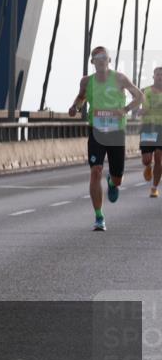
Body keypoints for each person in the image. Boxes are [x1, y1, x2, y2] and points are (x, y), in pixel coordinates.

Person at [68, 46, 144, 230]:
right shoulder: (86, 81)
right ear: (92, 62)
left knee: (118, 179)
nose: (101, 59)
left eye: (104, 57)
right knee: (96, 170)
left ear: (109, 60)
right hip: (96, 131)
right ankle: (99, 217)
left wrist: (125, 109)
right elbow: (81, 98)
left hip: (116, 133)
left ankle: (112, 182)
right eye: (97, 57)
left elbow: (140, 96)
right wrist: (75, 107)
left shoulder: (119, 78)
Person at [139, 66, 162, 198]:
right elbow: (145, 106)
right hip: (148, 127)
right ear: (153, 77)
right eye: (158, 74)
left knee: (159, 158)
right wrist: (142, 110)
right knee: (147, 160)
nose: (160, 77)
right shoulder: (146, 91)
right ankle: (148, 167)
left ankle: (154, 188)